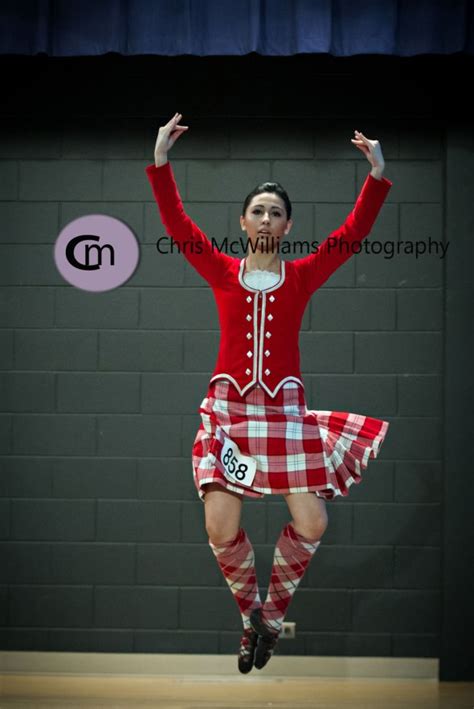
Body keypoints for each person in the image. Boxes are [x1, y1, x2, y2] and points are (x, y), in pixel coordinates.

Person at [145, 113, 392, 674]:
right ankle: (250, 617)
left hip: (283, 413)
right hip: (230, 414)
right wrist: (161, 163)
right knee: (220, 527)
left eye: (275, 212)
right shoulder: (221, 270)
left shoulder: (302, 275)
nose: (265, 217)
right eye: (257, 209)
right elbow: (178, 224)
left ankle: (270, 617)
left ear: (286, 227)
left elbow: (351, 236)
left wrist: (377, 175)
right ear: (242, 221)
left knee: (313, 523)